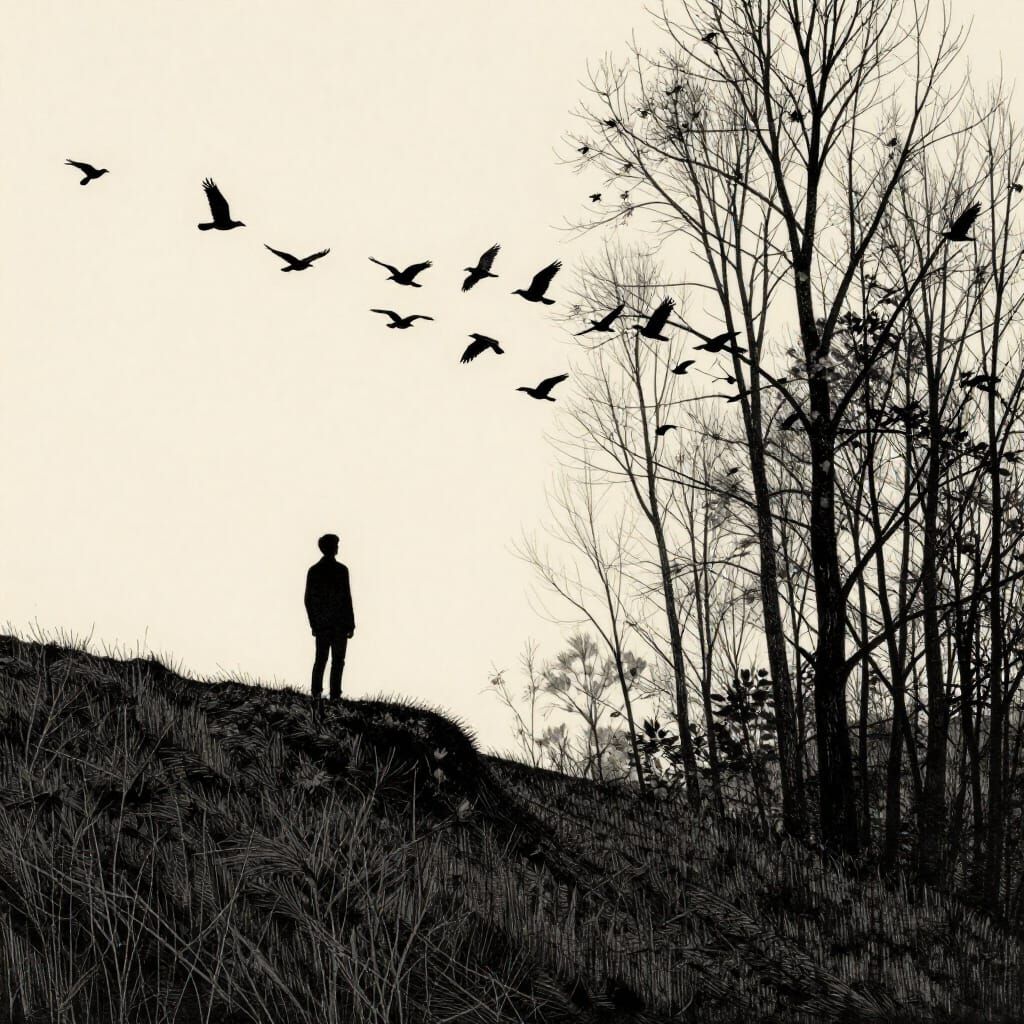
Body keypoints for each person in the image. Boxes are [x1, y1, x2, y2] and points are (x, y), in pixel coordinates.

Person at [304, 533, 355, 702]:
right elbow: (346, 599)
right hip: (337, 624)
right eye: (336, 544)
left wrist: (314, 623)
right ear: (331, 547)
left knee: (323, 659)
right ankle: (334, 694)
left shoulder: (315, 570)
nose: (338, 547)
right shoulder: (341, 570)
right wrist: (350, 623)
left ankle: (317, 693)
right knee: (335, 660)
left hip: (325, 625)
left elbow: (308, 600)